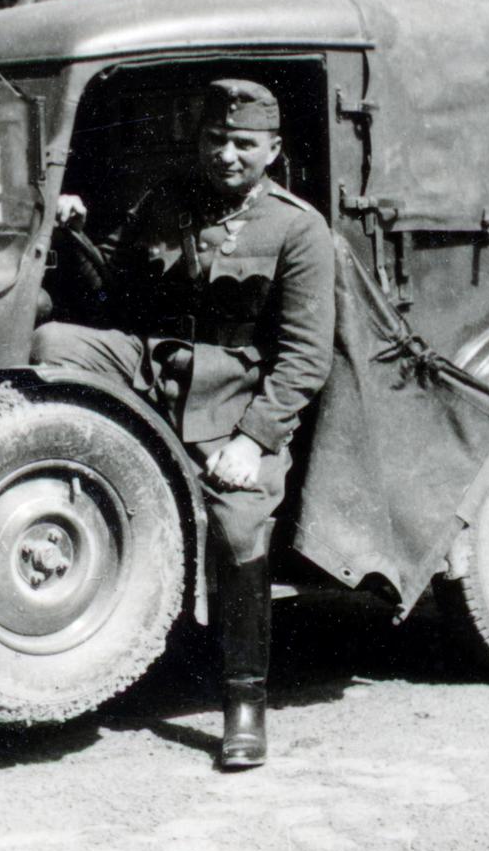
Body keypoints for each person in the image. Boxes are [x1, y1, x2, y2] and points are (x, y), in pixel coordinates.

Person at [30, 78, 335, 768]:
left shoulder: (298, 229)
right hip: (153, 367)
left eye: (244, 144)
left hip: (234, 399)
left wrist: (254, 440)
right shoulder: (169, 202)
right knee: (53, 347)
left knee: (236, 523)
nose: (227, 155)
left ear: (273, 151)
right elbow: (118, 291)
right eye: (216, 139)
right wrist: (73, 234)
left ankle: (244, 701)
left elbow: (304, 359)